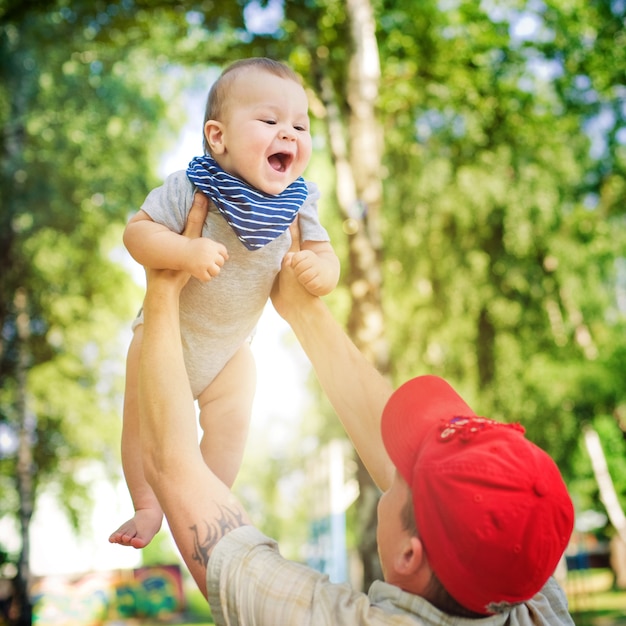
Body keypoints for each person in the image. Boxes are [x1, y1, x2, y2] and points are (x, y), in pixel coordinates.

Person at [136, 192, 576, 625]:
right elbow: (493, 530)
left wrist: (163, 294)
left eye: (405, 474)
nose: (393, 468)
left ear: (409, 554)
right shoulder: (528, 596)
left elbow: (173, 467)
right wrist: (303, 310)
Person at [109, 57, 340, 549]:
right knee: (140, 423)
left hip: (229, 347)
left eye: (300, 124)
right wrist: (185, 250)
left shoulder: (297, 202)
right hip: (163, 335)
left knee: (236, 412)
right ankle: (148, 505)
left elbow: (323, 253)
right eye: (270, 120)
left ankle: (207, 498)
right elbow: (137, 234)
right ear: (218, 137)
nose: (289, 133)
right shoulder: (193, 186)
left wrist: (321, 272)